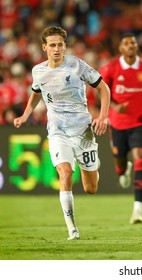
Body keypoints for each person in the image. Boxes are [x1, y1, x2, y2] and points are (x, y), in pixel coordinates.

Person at [13, 26, 111, 240]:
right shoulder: (38, 71)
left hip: (83, 131)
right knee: (65, 174)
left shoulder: (77, 65)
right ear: (44, 47)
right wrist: (25, 114)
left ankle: (93, 165)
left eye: (60, 45)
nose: (56, 49)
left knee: (90, 188)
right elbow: (36, 92)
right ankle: (72, 229)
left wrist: (102, 117)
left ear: (65, 46)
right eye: (52, 45)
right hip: (57, 131)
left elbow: (104, 88)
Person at [99, 33, 142, 224]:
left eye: (133, 42)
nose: (130, 45)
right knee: (120, 166)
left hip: (139, 122)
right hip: (117, 123)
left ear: (136, 47)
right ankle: (123, 171)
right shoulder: (111, 68)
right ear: (121, 49)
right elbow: (101, 90)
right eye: (126, 43)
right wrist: (115, 106)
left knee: (140, 159)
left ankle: (137, 210)